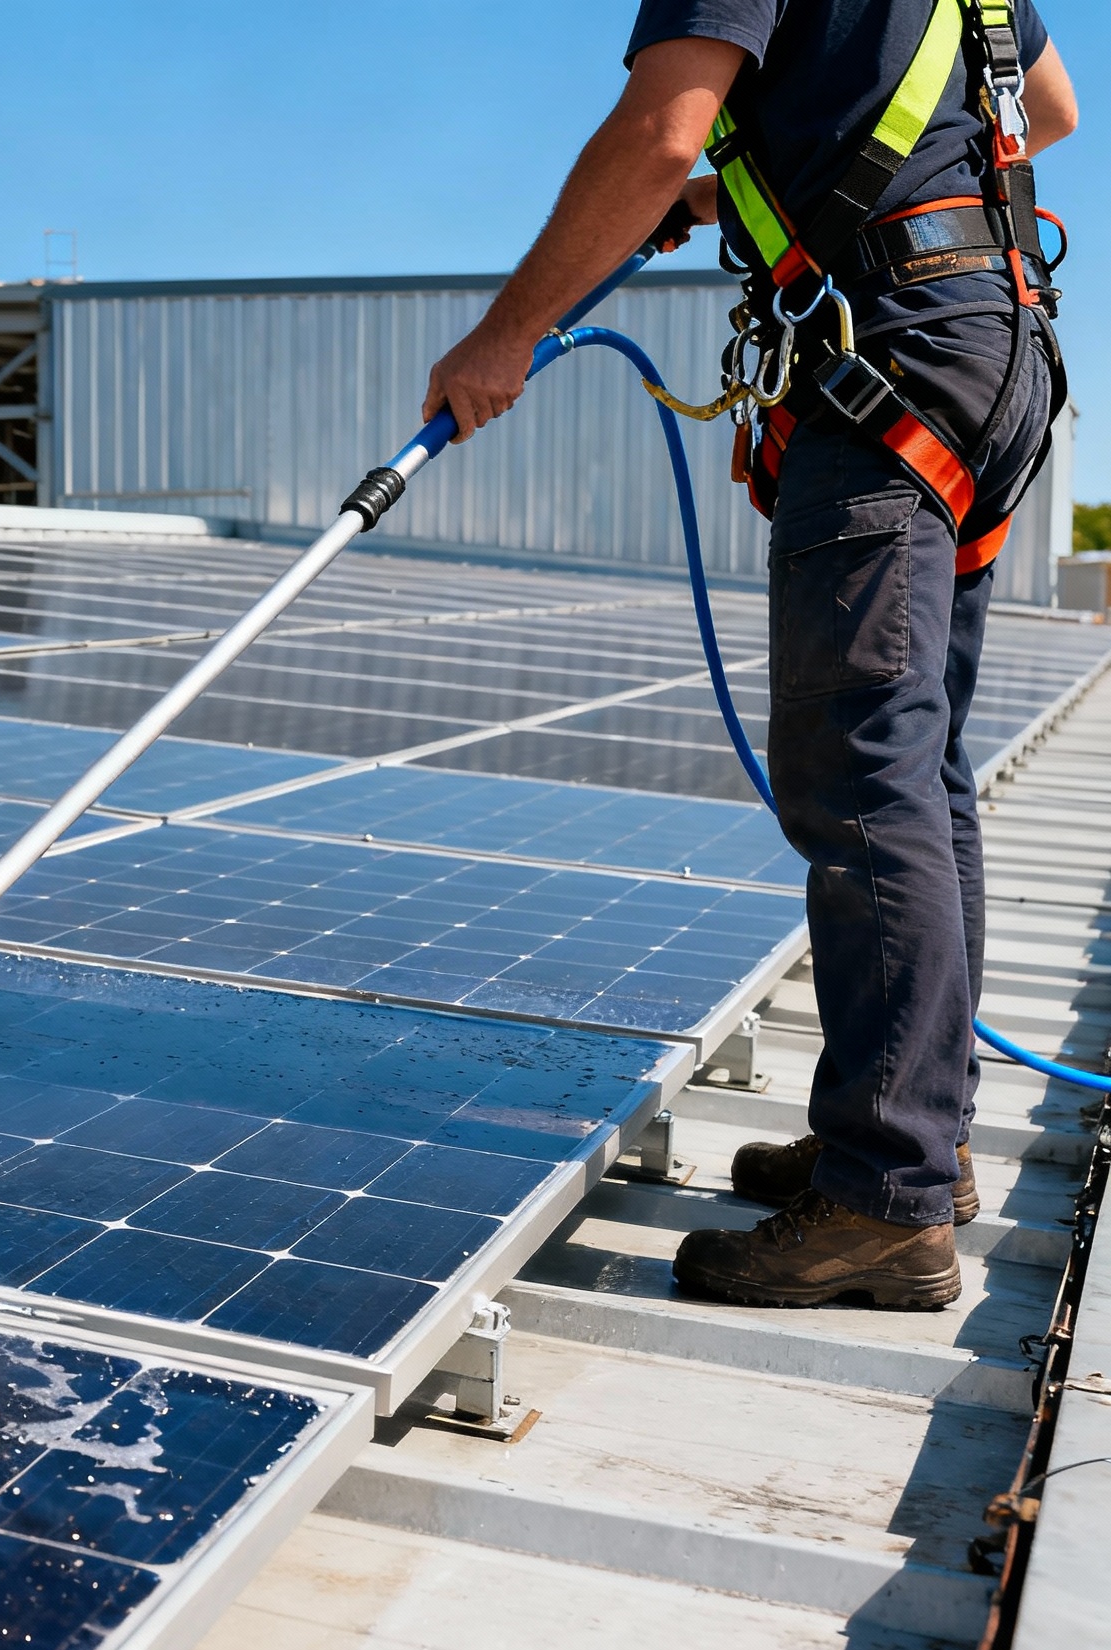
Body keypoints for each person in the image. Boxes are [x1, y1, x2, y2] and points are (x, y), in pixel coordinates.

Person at [422, 1, 1078, 1310]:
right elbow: (1047, 112)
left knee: (860, 773)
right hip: (991, 343)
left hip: (888, 356)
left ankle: (885, 1195)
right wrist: (759, 207)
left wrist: (504, 332)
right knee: (918, 761)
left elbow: (663, 129)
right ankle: (913, 1145)